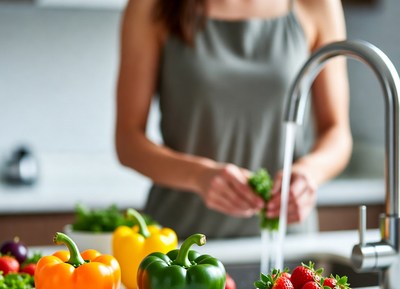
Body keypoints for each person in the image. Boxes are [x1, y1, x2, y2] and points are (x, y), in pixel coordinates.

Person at [115, 0, 352, 239]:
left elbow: (337, 132)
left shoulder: (317, 5)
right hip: (179, 244)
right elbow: (128, 140)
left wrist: (309, 173)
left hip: (286, 241)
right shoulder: (149, 6)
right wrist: (198, 176)